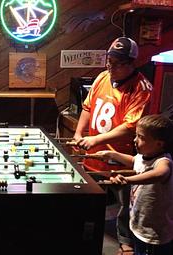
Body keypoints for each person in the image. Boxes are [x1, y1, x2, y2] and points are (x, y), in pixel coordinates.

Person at [73, 37, 152, 254]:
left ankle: (125, 240)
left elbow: (130, 127)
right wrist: (79, 133)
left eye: (118, 63)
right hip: (93, 154)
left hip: (121, 157)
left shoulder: (142, 87)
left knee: (126, 202)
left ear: (132, 63)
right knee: (89, 196)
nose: (111, 67)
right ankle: (82, 233)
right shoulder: (102, 76)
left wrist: (96, 140)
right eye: (110, 61)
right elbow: (87, 107)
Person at [97, 114, 173, 255]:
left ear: (159, 144)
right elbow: (134, 161)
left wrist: (128, 180)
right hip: (140, 224)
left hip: (154, 234)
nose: (135, 140)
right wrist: (112, 154)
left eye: (141, 137)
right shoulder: (143, 156)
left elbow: (161, 173)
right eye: (136, 135)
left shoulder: (163, 161)